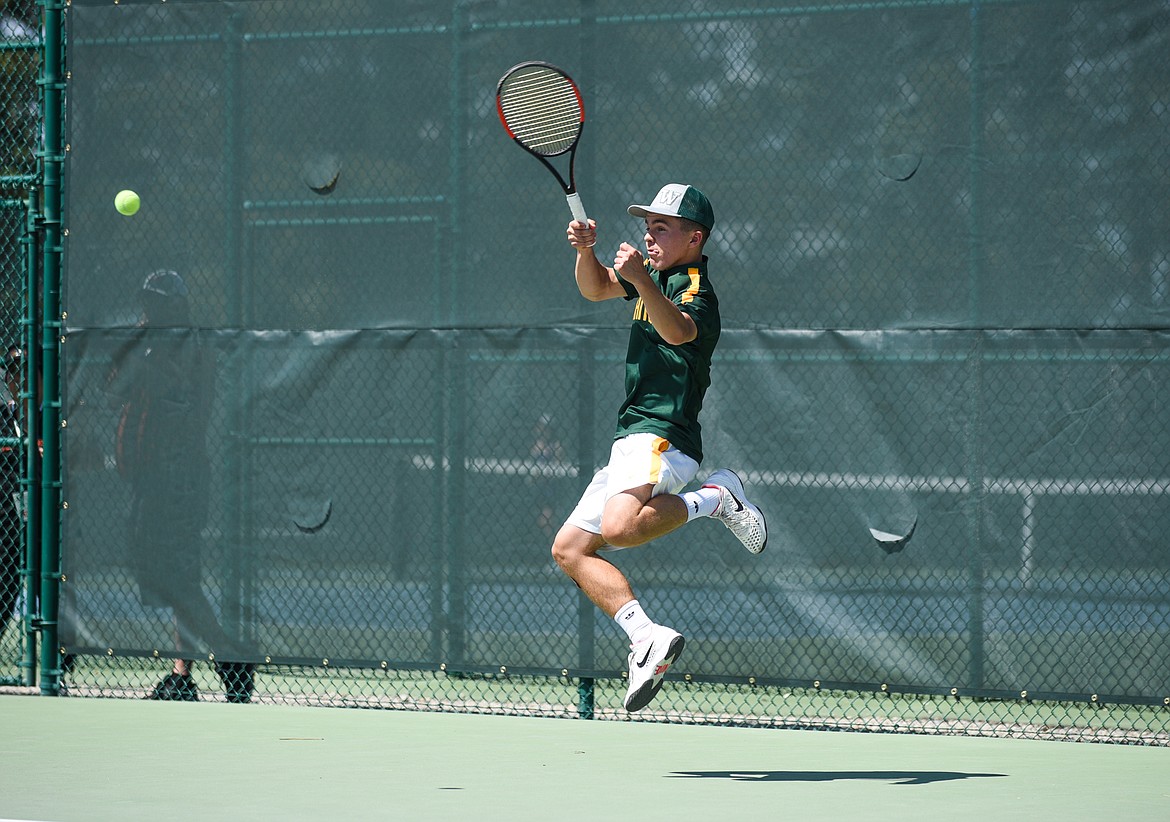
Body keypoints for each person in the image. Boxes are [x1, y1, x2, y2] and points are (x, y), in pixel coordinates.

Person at [552, 183, 768, 712]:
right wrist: (586, 251)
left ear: (695, 238)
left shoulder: (695, 289)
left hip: (664, 430)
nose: (650, 235)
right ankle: (644, 636)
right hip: (633, 433)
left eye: (662, 228)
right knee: (571, 549)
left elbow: (678, 332)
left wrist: (642, 279)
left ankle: (716, 498)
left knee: (621, 529)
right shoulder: (658, 278)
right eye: (648, 226)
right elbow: (595, 288)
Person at [108, 270, 253, 703]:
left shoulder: (189, 348)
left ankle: (223, 658)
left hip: (177, 480)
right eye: (146, 299)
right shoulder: (145, 344)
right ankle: (186, 672)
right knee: (174, 580)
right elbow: (115, 391)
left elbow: (178, 401)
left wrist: (145, 356)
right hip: (150, 481)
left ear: (178, 306)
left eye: (159, 301)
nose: (149, 307)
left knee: (177, 579)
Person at [0, 345, 25, 649]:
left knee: (14, 578)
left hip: (26, 507)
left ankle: (58, 657)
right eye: (14, 369)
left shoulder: (33, 410)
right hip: (6, 504)